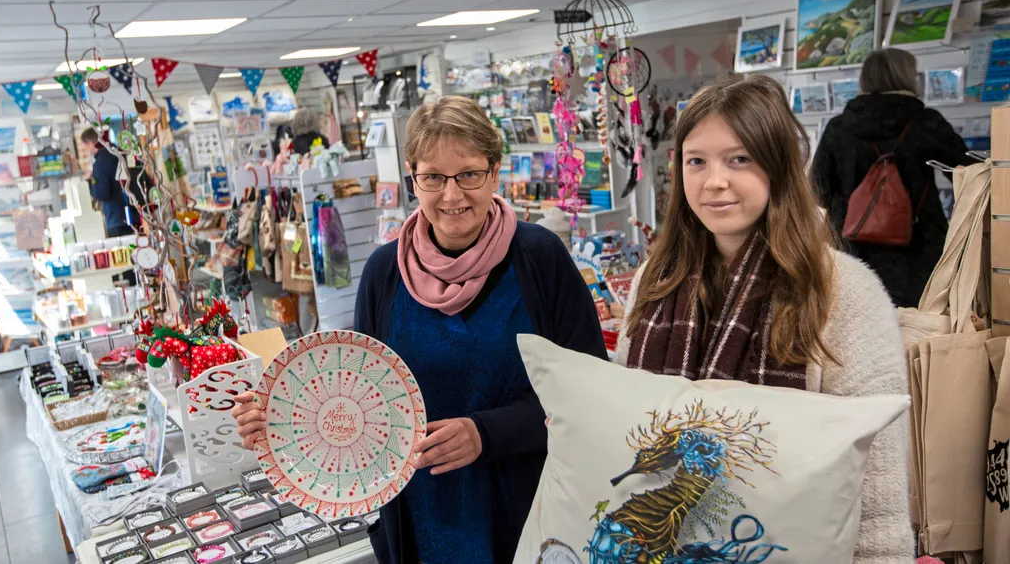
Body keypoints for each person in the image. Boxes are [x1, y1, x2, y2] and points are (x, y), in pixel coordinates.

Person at [232, 96, 607, 563]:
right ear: (413, 178)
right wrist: (283, 418)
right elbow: (361, 398)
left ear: (494, 171)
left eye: (469, 174)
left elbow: (591, 395)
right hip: (418, 519)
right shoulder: (384, 273)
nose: (452, 196)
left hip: (528, 511)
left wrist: (486, 433)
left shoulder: (538, 258)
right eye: (432, 177)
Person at [616, 76, 912, 562]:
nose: (714, 181)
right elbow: (632, 424)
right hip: (658, 543)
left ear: (778, 166)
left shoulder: (842, 291)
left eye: (739, 159)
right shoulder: (657, 279)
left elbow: (878, 482)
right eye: (696, 161)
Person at [811, 47, 975, 307]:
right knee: (916, 330)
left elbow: (817, 188)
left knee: (857, 326)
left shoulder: (839, 127)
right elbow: (968, 173)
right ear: (907, 77)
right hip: (917, 247)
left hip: (852, 250)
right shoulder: (925, 122)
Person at [82, 127, 139, 238]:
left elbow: (101, 193)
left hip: (117, 219)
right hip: (136, 213)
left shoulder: (100, 163)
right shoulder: (121, 153)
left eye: (86, 147)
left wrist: (89, 182)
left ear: (91, 143)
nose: (87, 151)